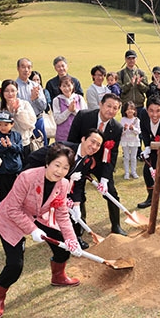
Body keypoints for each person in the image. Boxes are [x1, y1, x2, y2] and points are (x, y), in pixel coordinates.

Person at [0, 143, 81, 318]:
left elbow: (61, 214)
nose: (60, 171)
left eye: (65, 168)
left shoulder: (63, 184)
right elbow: (13, 209)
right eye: (57, 165)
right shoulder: (27, 177)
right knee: (15, 265)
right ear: (47, 163)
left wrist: (72, 240)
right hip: (11, 218)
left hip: (38, 215)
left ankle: (58, 277)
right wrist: (32, 230)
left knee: (62, 249)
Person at [25, 128, 104, 249]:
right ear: (83, 139)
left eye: (98, 145)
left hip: (61, 185)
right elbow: (33, 158)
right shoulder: (62, 148)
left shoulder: (87, 161)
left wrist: (77, 205)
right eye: (92, 141)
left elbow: (79, 184)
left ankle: (75, 237)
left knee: (74, 206)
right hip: (37, 182)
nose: (94, 146)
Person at [67, 93, 126, 235]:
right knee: (77, 193)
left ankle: (116, 225)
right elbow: (72, 141)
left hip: (100, 163)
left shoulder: (117, 127)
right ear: (101, 104)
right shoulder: (83, 116)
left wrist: (105, 179)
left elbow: (112, 155)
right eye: (108, 106)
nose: (111, 110)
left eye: (115, 108)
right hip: (80, 159)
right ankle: (80, 224)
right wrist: (80, 161)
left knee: (111, 191)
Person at [0, 80, 37, 158]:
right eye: (7, 91)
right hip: (3, 145)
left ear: (17, 91)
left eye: (13, 91)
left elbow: (29, 124)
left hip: (23, 144)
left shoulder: (25, 105)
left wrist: (19, 112)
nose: (10, 94)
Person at [0, 111, 24, 200]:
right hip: (2, 170)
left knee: (16, 191)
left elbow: (20, 149)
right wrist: (3, 147)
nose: (2, 127)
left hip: (15, 169)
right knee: (3, 192)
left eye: (5, 125)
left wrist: (11, 145)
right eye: (0, 124)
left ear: (12, 124)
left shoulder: (16, 136)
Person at [16, 58, 48, 146]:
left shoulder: (36, 86)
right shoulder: (14, 87)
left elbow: (44, 107)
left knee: (40, 149)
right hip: (21, 125)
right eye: (23, 67)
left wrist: (36, 99)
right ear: (18, 68)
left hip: (37, 122)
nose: (26, 70)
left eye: (29, 67)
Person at [53, 76, 87, 142]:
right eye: (64, 86)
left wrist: (74, 111)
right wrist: (68, 110)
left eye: (69, 85)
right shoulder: (57, 100)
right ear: (60, 87)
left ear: (73, 86)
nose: (67, 88)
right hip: (62, 136)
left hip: (78, 134)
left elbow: (84, 118)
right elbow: (57, 120)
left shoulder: (79, 98)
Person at [118, 49, 149, 115]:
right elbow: (120, 90)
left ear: (136, 59)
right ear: (125, 59)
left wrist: (139, 84)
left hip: (139, 106)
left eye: (133, 58)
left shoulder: (142, 73)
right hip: (126, 107)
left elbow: (146, 89)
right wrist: (130, 84)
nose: (131, 60)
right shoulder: (120, 74)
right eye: (129, 58)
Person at [120, 101, 141, 180]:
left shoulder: (136, 120)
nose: (130, 111)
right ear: (125, 110)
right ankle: (126, 173)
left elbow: (138, 132)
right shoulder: (123, 120)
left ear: (134, 110)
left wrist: (133, 128)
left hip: (134, 141)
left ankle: (133, 172)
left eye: (131, 109)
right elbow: (121, 133)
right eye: (128, 109)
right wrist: (124, 129)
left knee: (133, 157)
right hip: (125, 141)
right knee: (126, 157)